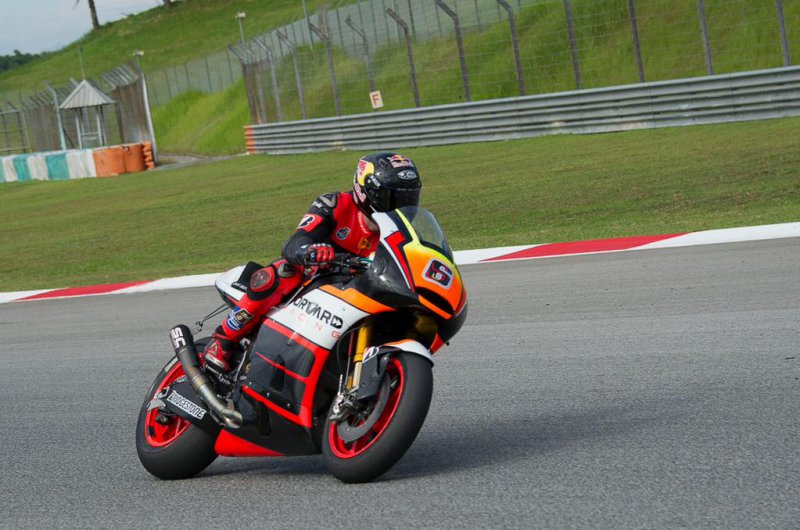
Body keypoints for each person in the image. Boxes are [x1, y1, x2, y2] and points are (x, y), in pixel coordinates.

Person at [203, 152, 423, 372]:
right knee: (281, 273)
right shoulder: (335, 204)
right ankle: (222, 341)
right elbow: (295, 242)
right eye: (392, 198)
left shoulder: (404, 232)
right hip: (316, 278)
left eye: (408, 199)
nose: (399, 207)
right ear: (365, 192)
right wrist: (310, 251)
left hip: (360, 290)